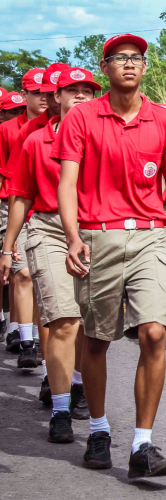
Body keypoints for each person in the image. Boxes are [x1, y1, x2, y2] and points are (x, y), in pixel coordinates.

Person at [52, 33, 166, 477]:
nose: (129, 64)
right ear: (105, 67)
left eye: (137, 58)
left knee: (154, 333)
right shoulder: (81, 118)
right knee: (96, 341)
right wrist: (72, 236)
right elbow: (67, 184)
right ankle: (97, 429)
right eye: (119, 58)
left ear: (145, 67)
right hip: (98, 236)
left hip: (150, 237)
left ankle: (142, 445)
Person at [0, 67, 100, 443]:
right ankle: (59, 408)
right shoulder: (34, 141)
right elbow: (21, 196)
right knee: (63, 319)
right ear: (55, 97)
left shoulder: (104, 139)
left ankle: (76, 386)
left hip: (95, 231)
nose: (80, 97)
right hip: (48, 228)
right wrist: (8, 248)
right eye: (71, 90)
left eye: (87, 91)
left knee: (91, 325)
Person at [2, 63, 69, 372]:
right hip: (34, 215)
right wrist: (10, 241)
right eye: (43, 93)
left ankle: (70, 376)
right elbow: (18, 186)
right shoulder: (28, 133)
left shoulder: (89, 126)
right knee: (31, 279)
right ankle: (34, 350)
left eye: (54, 93)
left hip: (81, 223)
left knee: (72, 308)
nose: (49, 100)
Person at [0, 68, 47, 356]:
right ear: (26, 92)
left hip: (52, 210)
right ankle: (25, 337)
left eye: (48, 92)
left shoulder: (64, 126)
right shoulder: (9, 130)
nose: (43, 98)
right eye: (37, 92)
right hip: (15, 205)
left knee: (40, 277)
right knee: (24, 274)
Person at [0, 91, 27, 343]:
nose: (18, 115)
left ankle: (21, 328)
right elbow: (5, 175)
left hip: (42, 207)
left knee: (25, 273)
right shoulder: (9, 130)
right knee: (16, 269)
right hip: (10, 201)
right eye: (13, 111)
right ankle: (6, 320)